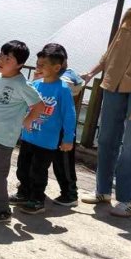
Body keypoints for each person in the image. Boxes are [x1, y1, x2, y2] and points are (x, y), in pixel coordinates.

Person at [80, 0, 131, 218]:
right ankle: (102, 191)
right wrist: (91, 72)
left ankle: (126, 200)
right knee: (106, 139)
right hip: (113, 83)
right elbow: (112, 50)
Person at [0, 40, 46, 223]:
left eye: (8, 59)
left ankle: (2, 210)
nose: (1, 60)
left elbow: (39, 106)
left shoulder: (22, 84)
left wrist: (28, 119)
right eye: (1, 56)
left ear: (20, 64)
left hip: (3, 137)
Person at [10, 45, 77, 215]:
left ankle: (37, 200)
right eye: (37, 64)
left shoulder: (63, 89)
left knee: (38, 171)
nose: (38, 67)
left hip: (46, 142)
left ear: (56, 67)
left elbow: (69, 115)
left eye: (42, 65)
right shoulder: (35, 85)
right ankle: (23, 193)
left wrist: (68, 138)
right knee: (23, 167)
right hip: (28, 136)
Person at [34, 43, 85, 207]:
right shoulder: (43, 77)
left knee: (63, 162)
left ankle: (70, 193)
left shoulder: (68, 77)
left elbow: (74, 86)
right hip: (45, 127)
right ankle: (29, 188)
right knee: (36, 160)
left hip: (63, 128)